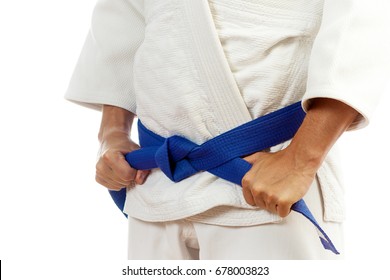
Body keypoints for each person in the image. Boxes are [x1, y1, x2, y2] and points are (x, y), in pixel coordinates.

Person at [65, 0, 388, 259]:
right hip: (156, 186)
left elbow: (363, 20)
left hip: (267, 189)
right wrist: (112, 134)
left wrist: (301, 159)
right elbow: (124, 19)